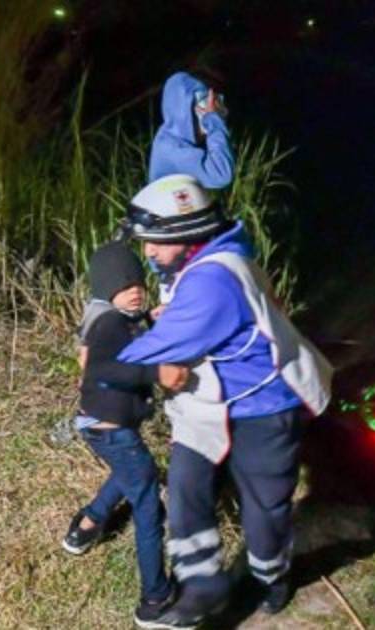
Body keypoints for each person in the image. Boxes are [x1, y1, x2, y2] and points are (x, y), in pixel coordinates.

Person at [116, 174, 333, 626]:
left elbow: (140, 358)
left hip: (265, 407)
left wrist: (108, 354)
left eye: (155, 241)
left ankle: (271, 578)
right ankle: (202, 586)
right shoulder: (204, 258)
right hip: (210, 404)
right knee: (185, 485)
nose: (148, 252)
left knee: (264, 511)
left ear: (187, 233)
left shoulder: (212, 280)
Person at [59, 241, 191, 628]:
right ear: (106, 288)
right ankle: (155, 600)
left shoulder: (114, 317)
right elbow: (103, 367)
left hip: (104, 427)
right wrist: (156, 372)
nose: (134, 290)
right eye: (123, 285)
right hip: (113, 431)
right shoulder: (109, 324)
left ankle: (86, 528)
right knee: (148, 506)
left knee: (130, 472)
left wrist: (148, 317)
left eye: (138, 283)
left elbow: (122, 345)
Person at [149, 71, 234, 190]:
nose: (207, 110)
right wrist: (214, 121)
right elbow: (221, 174)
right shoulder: (173, 148)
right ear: (185, 112)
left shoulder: (170, 136)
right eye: (203, 103)